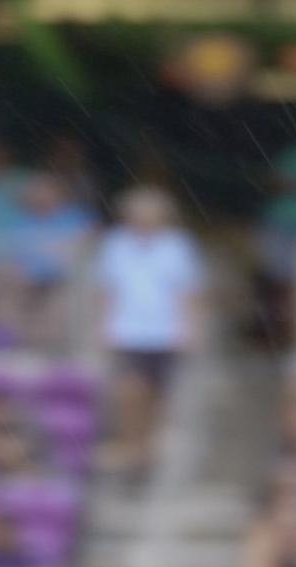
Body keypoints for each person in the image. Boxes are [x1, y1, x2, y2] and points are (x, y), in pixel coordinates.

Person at [95, 187, 206, 478]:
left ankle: (147, 447)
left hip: (165, 332)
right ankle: (132, 444)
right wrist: (104, 326)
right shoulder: (116, 244)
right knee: (131, 389)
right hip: (129, 331)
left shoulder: (178, 246)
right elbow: (109, 290)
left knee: (158, 394)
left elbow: (187, 292)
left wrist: (191, 328)